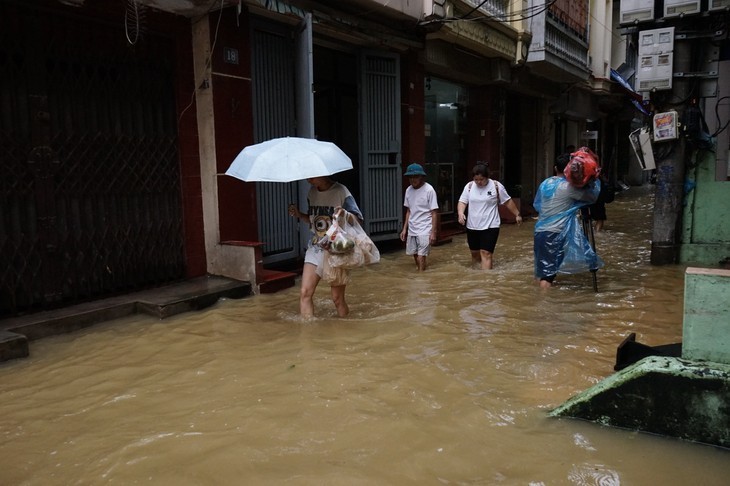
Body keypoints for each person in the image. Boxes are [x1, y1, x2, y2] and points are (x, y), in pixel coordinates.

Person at [288, 176, 363, 317]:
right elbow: (313, 222)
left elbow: (358, 221)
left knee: (337, 299)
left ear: (323, 173)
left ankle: (344, 331)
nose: (308, 180)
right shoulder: (312, 192)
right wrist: (299, 214)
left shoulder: (341, 191)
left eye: (312, 176)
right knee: (305, 293)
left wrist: (344, 214)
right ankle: (307, 335)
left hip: (337, 248)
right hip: (316, 246)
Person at [533, 152, 602, 289]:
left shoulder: (545, 183)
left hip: (540, 231)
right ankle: (544, 304)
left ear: (555, 168)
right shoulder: (568, 188)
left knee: (542, 270)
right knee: (548, 276)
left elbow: (537, 204)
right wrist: (594, 180)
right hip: (555, 234)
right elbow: (592, 197)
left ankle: (539, 298)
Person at [456, 163, 522, 270]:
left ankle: (486, 280)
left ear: (487, 177)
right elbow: (462, 202)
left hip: (491, 225)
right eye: (476, 179)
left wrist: (517, 214)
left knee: (486, 253)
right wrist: (460, 213)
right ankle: (476, 277)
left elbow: (508, 201)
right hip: (472, 225)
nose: (478, 182)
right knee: (475, 254)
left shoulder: (496, 186)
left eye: (481, 179)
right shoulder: (469, 187)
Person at [400, 163, 439, 271]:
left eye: (416, 177)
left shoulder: (429, 190)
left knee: (422, 256)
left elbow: (434, 212)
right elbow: (408, 211)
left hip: (425, 228)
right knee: (415, 254)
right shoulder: (408, 190)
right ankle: (421, 272)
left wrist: (433, 232)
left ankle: (421, 277)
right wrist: (404, 229)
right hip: (412, 228)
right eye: (410, 177)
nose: (413, 180)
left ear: (421, 177)